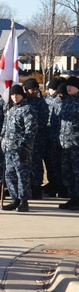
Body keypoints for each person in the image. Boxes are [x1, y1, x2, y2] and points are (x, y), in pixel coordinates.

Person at [1, 84, 36, 212]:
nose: (15, 97)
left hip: (20, 149)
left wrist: (24, 146)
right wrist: (2, 141)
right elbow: (5, 128)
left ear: (22, 95)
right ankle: (14, 199)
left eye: (17, 94)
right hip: (9, 149)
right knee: (9, 175)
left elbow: (30, 130)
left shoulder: (28, 109)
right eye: (13, 95)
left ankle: (23, 200)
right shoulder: (11, 109)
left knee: (22, 175)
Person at [58, 76, 79, 210]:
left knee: (77, 173)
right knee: (67, 173)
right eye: (67, 86)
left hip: (77, 145)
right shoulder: (66, 102)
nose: (68, 88)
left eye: (71, 85)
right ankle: (73, 198)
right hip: (65, 144)